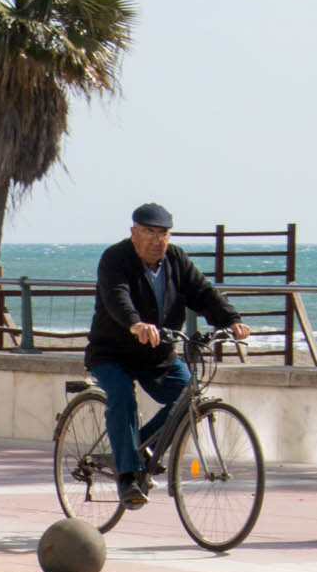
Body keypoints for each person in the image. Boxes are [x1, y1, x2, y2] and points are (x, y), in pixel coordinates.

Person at [84, 202, 250, 509]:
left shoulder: (176, 259)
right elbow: (117, 295)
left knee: (189, 396)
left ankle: (140, 448)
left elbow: (203, 292)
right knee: (122, 395)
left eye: (163, 233)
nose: (156, 240)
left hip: (156, 356)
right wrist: (135, 323)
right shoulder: (115, 258)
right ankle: (128, 476)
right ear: (134, 232)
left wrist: (231, 320)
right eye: (149, 232)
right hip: (112, 353)